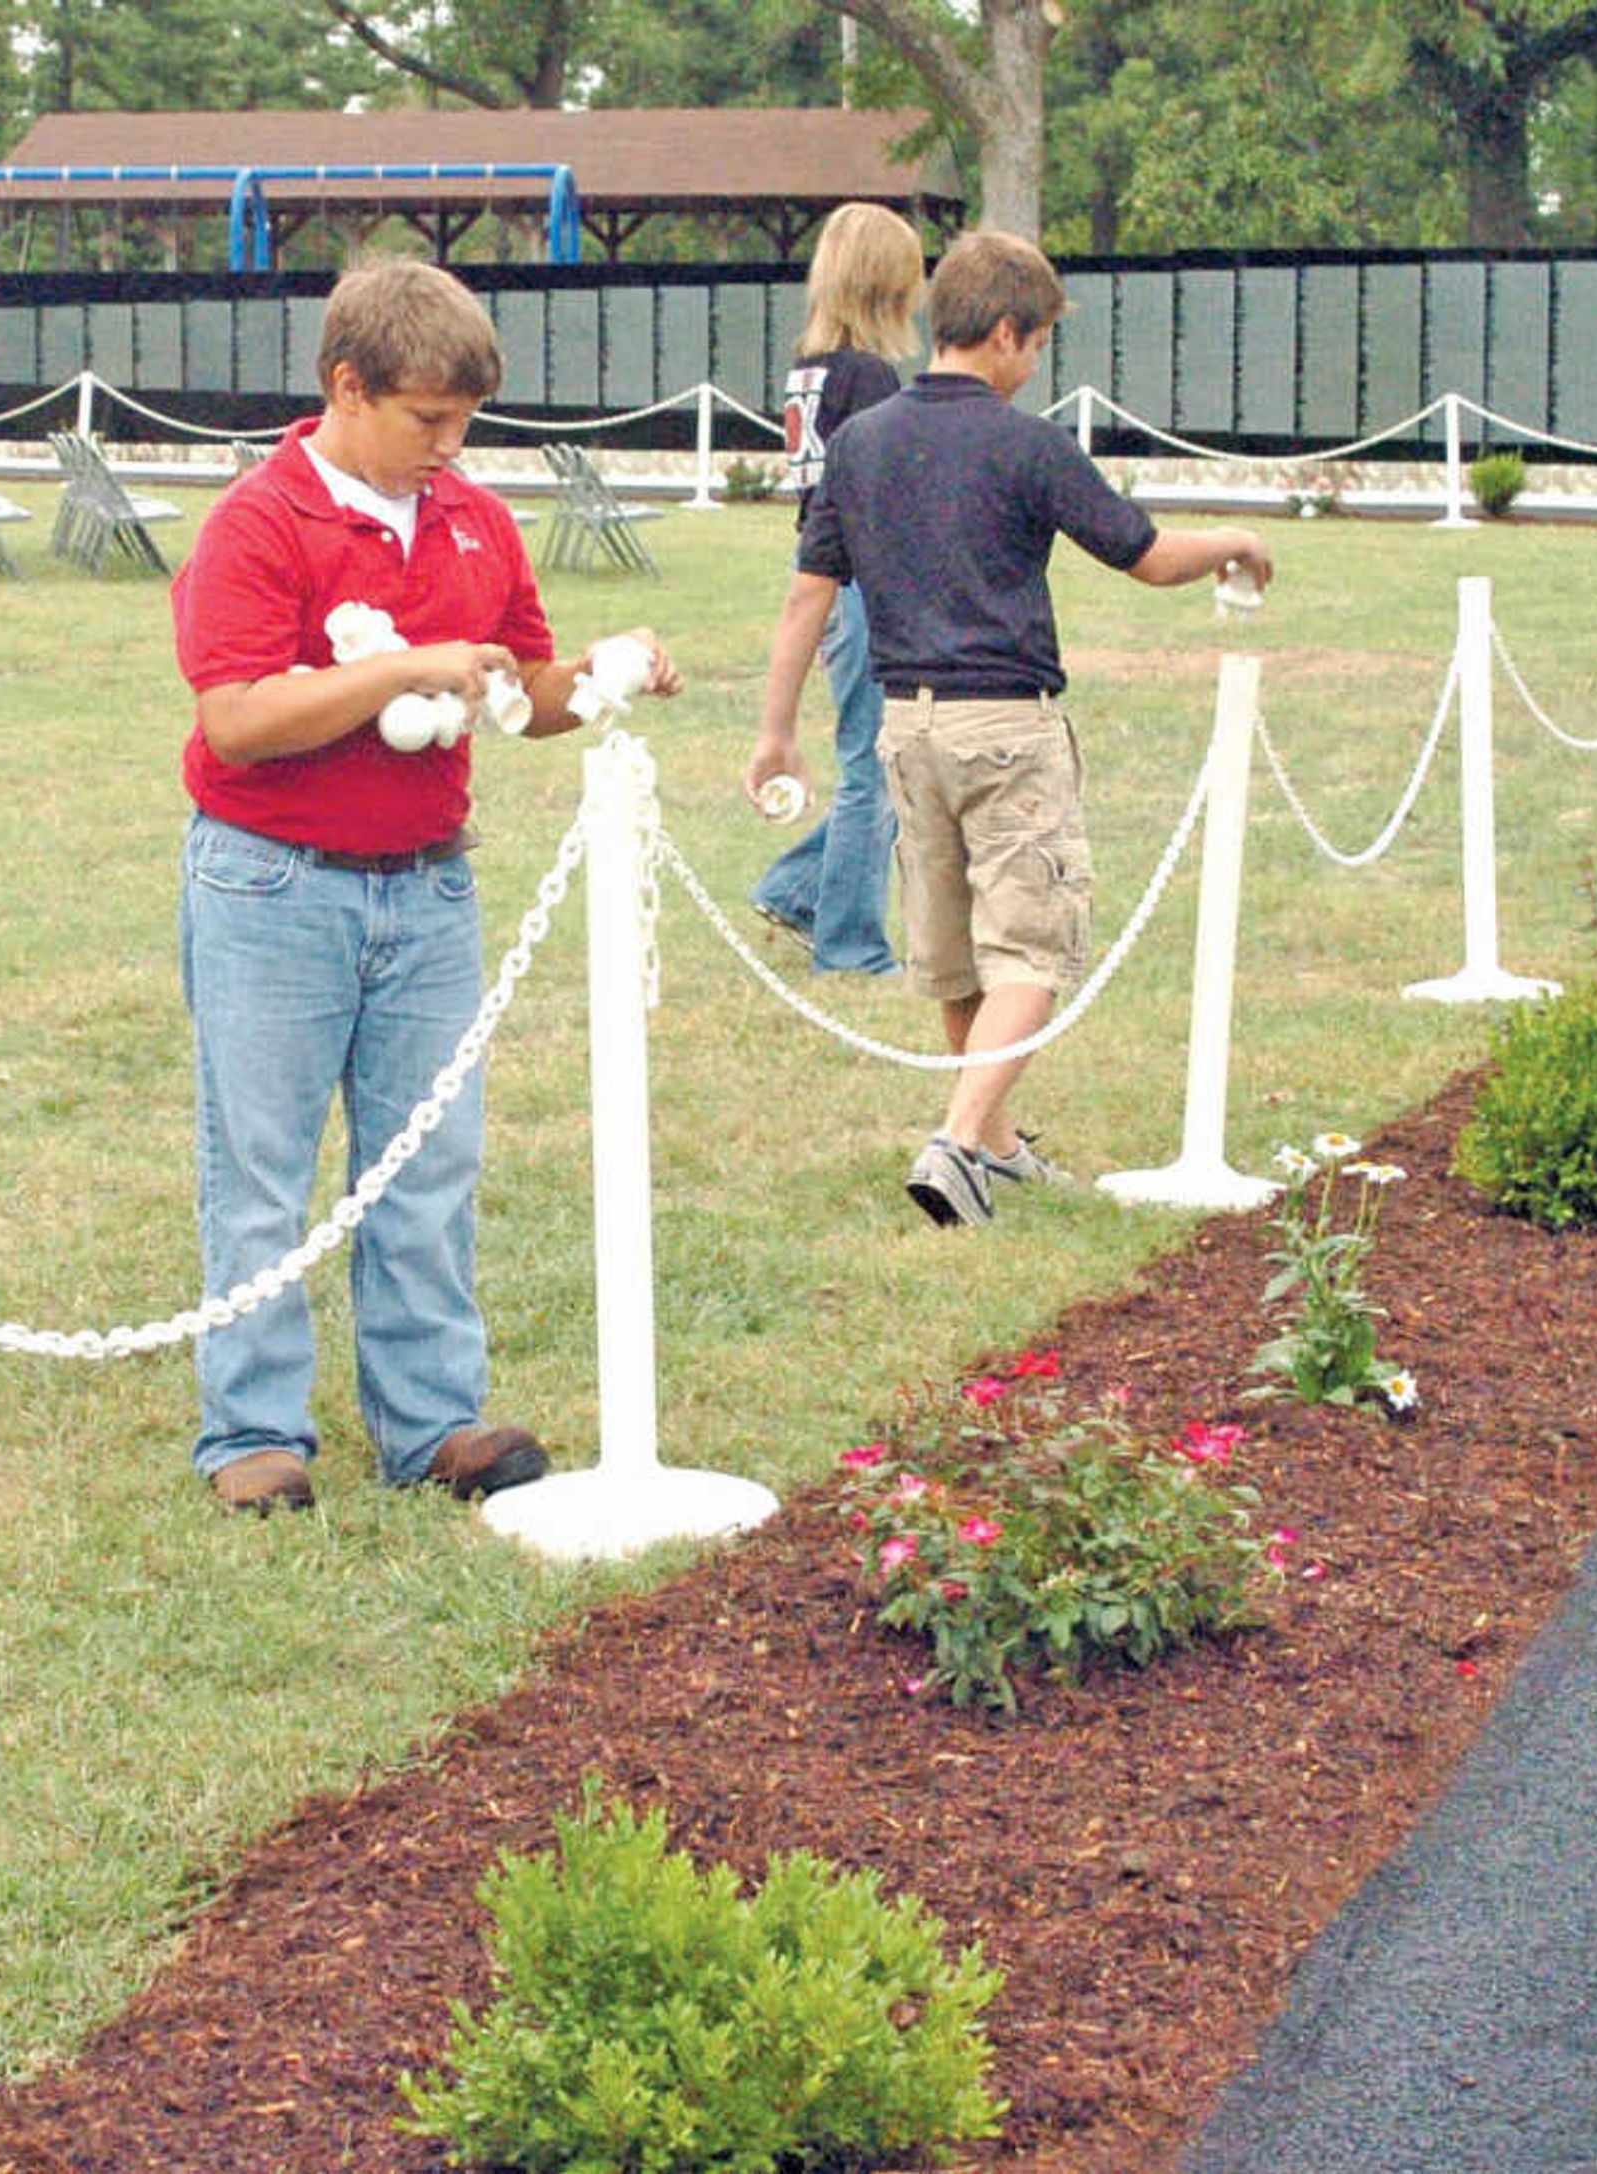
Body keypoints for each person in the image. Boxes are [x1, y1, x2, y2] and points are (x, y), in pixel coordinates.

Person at [169, 257, 681, 1515]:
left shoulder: (474, 522)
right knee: (263, 1164)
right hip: (273, 885)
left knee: (426, 1162)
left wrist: (603, 673)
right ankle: (252, 1429)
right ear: (348, 388)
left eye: (463, 426)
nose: (449, 450)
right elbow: (236, 720)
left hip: (429, 889)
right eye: (427, 423)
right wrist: (406, 669)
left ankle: (432, 1419)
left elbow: (521, 690)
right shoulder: (259, 523)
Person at [751, 229, 1273, 1231]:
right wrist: (1238, 542)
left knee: (957, 953)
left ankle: (991, 1137)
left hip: (906, 726)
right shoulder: (1027, 442)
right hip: (1008, 725)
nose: (1032, 365)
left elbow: (806, 595)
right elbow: (1147, 554)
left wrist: (777, 732)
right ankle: (956, 1144)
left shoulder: (860, 444)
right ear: (1001, 333)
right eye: (1033, 345)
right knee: (1032, 944)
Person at [743, 202, 924, 976]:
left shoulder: (809, 370)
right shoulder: (872, 377)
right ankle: (851, 946)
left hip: (822, 577)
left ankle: (797, 887)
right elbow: (883, 498)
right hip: (857, 582)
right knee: (873, 770)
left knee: (878, 767)